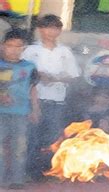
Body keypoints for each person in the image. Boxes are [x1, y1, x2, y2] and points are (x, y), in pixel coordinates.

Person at [22, 14, 81, 181]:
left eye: (55, 28)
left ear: (60, 30)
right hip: (35, 100)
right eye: (47, 27)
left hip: (57, 100)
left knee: (52, 136)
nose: (51, 31)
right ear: (40, 29)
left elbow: (74, 75)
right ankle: (29, 171)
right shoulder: (31, 50)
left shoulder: (64, 52)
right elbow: (23, 73)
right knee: (32, 136)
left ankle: (48, 170)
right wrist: (40, 76)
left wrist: (56, 78)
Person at [0, 29, 39, 189]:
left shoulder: (30, 67)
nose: (14, 49)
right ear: (2, 46)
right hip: (1, 114)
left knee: (20, 148)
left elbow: (33, 89)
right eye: (10, 45)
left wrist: (35, 109)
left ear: (24, 48)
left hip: (21, 113)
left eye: (19, 46)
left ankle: (17, 180)